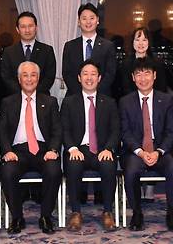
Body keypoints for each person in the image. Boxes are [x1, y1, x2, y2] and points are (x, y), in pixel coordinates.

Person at [0, 61, 62, 235]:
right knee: (7, 172)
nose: (29, 79)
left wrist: (54, 150)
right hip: (17, 152)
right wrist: (7, 151)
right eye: (25, 75)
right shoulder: (8, 102)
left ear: (38, 78)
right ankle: (17, 217)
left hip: (43, 151)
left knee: (53, 170)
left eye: (33, 75)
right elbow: (2, 130)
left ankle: (46, 216)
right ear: (19, 79)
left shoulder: (50, 101)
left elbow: (57, 130)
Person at [120, 57, 173, 232]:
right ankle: (137, 213)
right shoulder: (125, 101)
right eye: (139, 74)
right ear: (133, 77)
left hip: (160, 150)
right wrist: (140, 152)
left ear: (154, 76)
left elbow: (171, 132)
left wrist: (159, 152)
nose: (143, 78)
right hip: (135, 152)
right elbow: (125, 133)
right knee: (130, 171)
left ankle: (171, 212)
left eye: (147, 73)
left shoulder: (167, 100)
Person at [60, 60, 119, 232]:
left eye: (93, 74)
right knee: (73, 164)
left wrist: (108, 148)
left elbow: (115, 130)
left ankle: (108, 212)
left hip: (101, 149)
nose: (89, 77)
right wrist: (72, 148)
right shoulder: (69, 102)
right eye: (85, 73)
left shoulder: (109, 102)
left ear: (99, 78)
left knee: (109, 165)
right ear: (79, 78)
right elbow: (64, 129)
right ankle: (76, 212)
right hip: (78, 148)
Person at [63, 3, 116, 97]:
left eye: (92, 18)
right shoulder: (69, 46)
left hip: (101, 97)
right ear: (79, 22)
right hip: (75, 97)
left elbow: (110, 74)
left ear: (98, 20)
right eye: (84, 18)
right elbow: (67, 74)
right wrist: (81, 94)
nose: (88, 22)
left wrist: (94, 93)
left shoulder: (108, 46)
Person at [0, 11, 56, 96]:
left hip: (41, 97)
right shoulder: (9, 52)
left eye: (30, 26)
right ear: (17, 29)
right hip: (15, 97)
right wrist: (23, 93)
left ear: (36, 28)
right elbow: (6, 77)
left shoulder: (47, 50)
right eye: (23, 27)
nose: (27, 30)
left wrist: (33, 93)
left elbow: (49, 77)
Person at [120, 27, 168, 96]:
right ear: (132, 42)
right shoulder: (126, 64)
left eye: (144, 40)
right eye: (137, 40)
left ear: (149, 42)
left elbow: (161, 87)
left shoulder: (157, 63)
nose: (140, 43)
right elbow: (125, 88)